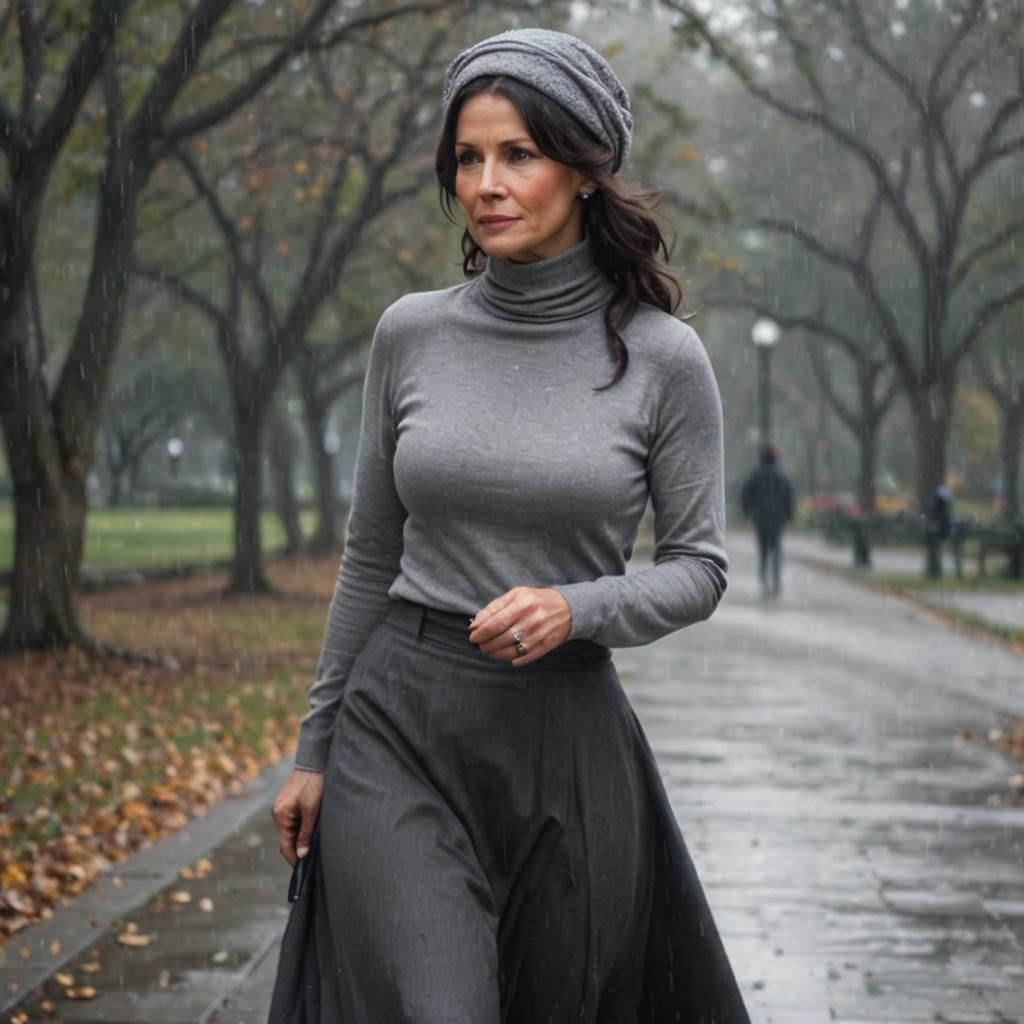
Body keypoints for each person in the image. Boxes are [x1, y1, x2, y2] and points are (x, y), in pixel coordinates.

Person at [268, 27, 750, 1024]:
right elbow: (370, 552)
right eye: (467, 157)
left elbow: (699, 569)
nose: (484, 182)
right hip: (399, 721)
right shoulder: (410, 333)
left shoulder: (663, 360)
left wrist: (576, 607)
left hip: (565, 739)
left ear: (580, 169)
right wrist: (313, 750)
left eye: (516, 155)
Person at [740, 445, 794, 597]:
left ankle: (764, 576)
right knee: (776, 548)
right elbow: (788, 496)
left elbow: (746, 494)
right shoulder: (781, 475)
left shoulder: (755, 474)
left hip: (761, 518)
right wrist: (789, 514)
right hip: (777, 518)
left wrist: (747, 511)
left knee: (764, 548)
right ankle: (776, 578)